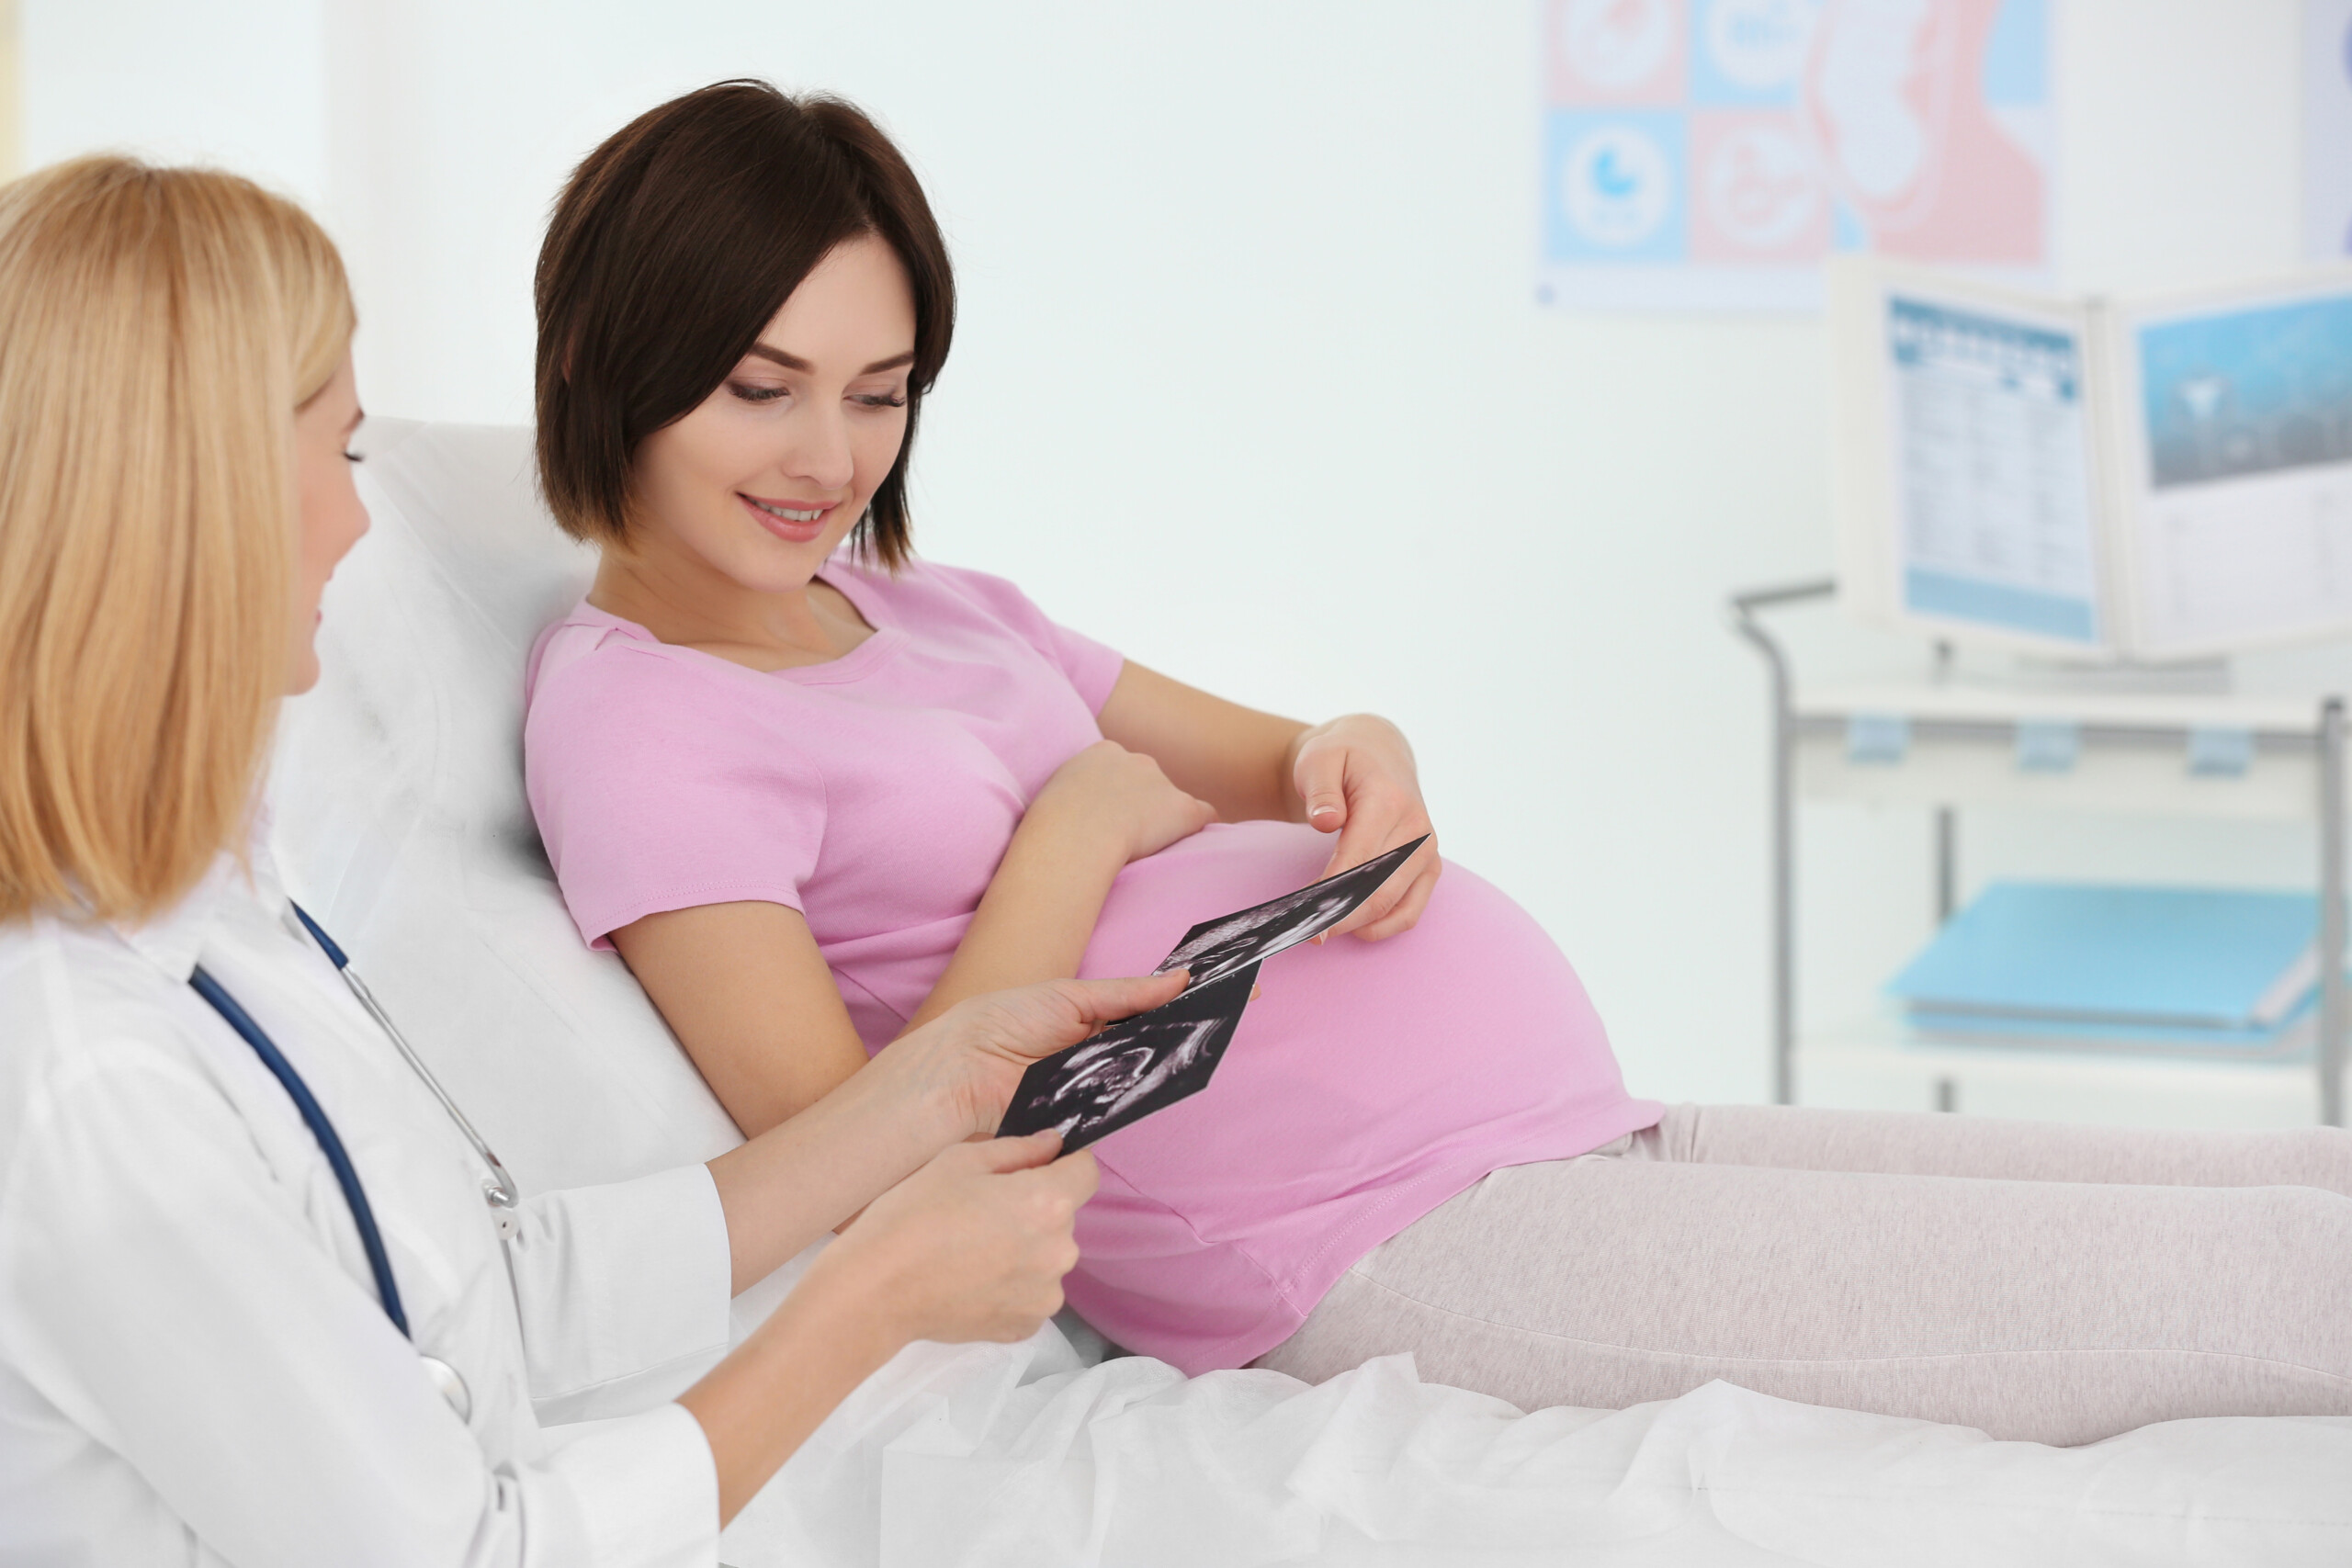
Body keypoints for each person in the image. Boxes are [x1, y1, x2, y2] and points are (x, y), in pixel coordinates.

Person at [522, 81, 2352, 1444]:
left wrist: (1361, 767)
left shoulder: (928, 606)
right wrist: (1077, 820)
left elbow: (1276, 753)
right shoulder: (638, 720)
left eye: (878, 384)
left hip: (1547, 1126)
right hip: (1356, 1240)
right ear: (613, 354)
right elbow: (858, 1165)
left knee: (2290, 1196)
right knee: (2251, 1296)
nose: (827, 454)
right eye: (759, 385)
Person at [0, 153, 1178, 1564]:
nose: (360, 519)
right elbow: (466, 1553)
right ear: (190, 502)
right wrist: (867, 1298)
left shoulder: (221, 921)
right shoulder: (91, 1094)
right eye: (336, 453)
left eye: (880, 388)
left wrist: (929, 1092)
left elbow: (484, 1298)